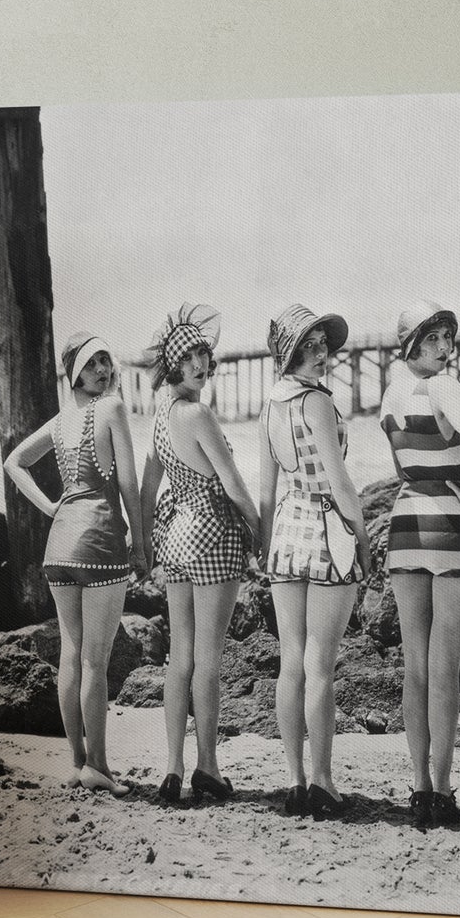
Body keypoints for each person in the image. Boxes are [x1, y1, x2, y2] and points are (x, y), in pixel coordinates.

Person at [3, 333, 147, 797]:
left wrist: (50, 508)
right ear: (77, 374)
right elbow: (127, 482)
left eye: (107, 360)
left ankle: (77, 762)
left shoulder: (62, 420)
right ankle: (100, 767)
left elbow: (14, 462)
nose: (104, 371)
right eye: (94, 364)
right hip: (101, 543)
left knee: (71, 653)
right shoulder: (113, 409)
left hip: (59, 545)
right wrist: (141, 542)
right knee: (95, 661)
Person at [140, 305, 260, 807]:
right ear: (172, 364)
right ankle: (207, 767)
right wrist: (261, 528)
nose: (201, 367)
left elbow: (148, 488)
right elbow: (231, 482)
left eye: (205, 358)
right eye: (191, 358)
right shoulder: (198, 413)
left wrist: (144, 542)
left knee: (178, 659)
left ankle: (171, 769)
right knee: (208, 659)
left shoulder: (161, 417)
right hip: (211, 532)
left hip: (176, 537)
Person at [379, 301, 460, 828]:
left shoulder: (390, 390)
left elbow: (402, 461)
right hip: (448, 525)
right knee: (445, 664)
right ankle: (443, 789)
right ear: (415, 344)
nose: (446, 349)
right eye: (436, 339)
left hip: (404, 524)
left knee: (415, 665)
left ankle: (418, 786)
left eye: (448, 338)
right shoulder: (444, 387)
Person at [260, 304, 371, 821]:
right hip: (328, 532)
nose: (324, 350)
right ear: (295, 350)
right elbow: (340, 481)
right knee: (320, 664)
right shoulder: (318, 403)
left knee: (291, 662)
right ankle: (323, 781)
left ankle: (294, 780)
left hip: (287, 530)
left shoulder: (270, 405)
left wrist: (265, 543)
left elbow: (267, 490)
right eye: (314, 343)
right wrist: (364, 534)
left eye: (324, 341)